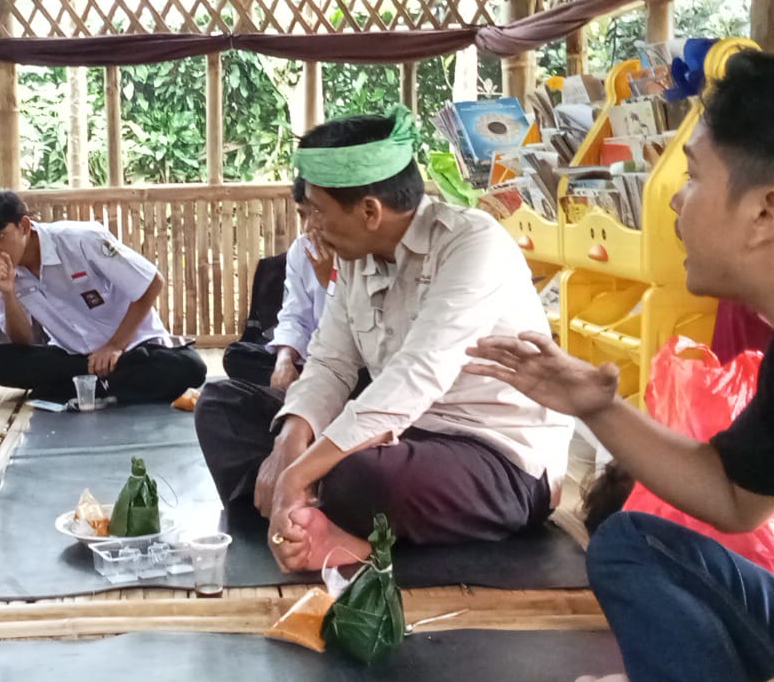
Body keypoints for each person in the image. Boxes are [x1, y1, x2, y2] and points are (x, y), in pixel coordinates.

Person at [467, 52, 774, 682]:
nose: (678, 200)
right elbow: (736, 497)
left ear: (766, 212)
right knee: (632, 542)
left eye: (694, 176)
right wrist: (597, 406)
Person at [194, 109, 573, 573]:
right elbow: (330, 363)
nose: (311, 226)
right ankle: (305, 519)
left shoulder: (474, 245)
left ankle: (341, 532)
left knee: (361, 475)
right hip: (401, 437)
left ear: (370, 211)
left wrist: (299, 471)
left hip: (493, 457)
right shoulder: (357, 256)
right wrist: (291, 443)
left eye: (317, 211)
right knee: (222, 405)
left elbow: (415, 378)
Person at [0, 189, 206, 404]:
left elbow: (152, 283)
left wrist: (114, 346)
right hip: (72, 357)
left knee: (190, 367)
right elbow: (24, 341)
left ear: (25, 226)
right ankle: (97, 385)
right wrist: (9, 294)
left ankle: (73, 388)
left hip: (132, 349)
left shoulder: (80, 238)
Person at [221, 177, 333, 391]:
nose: (309, 226)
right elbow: (294, 316)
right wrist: (284, 361)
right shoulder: (301, 249)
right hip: (308, 358)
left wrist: (331, 281)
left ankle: (310, 390)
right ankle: (301, 386)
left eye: (317, 213)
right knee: (237, 356)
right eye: (303, 214)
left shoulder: (361, 252)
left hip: (347, 364)